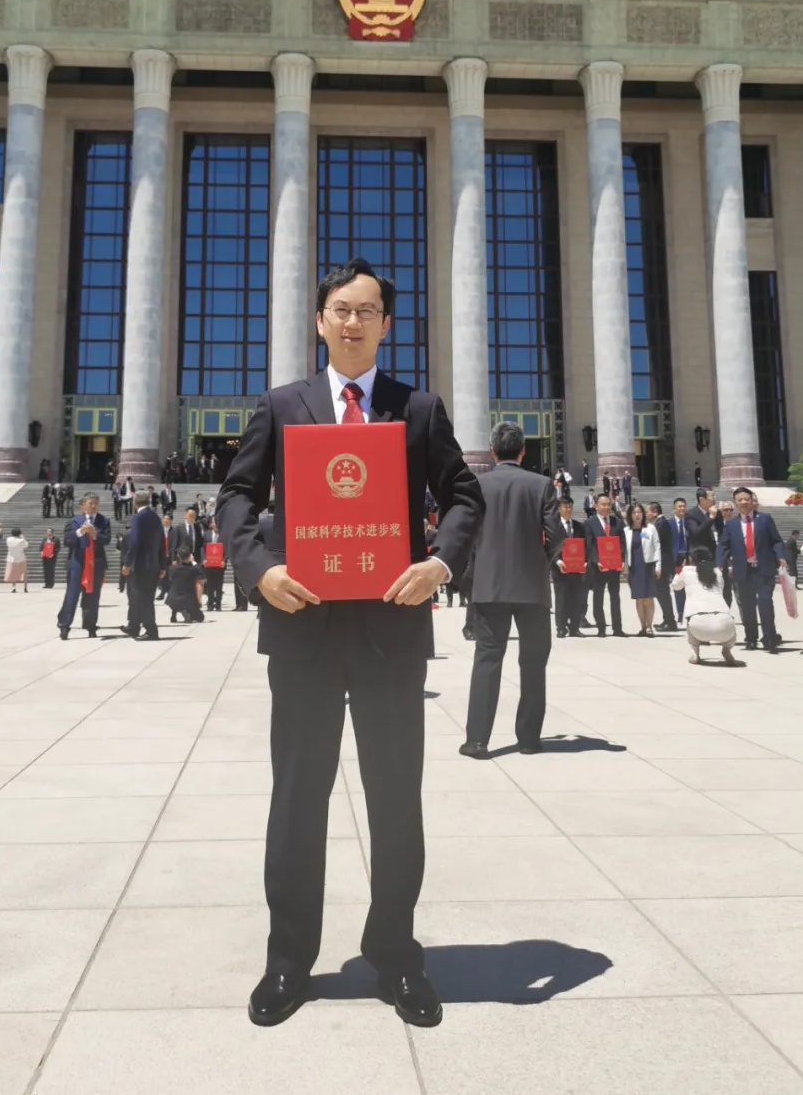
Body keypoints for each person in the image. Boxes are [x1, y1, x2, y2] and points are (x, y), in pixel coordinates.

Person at [216, 258, 482, 1031]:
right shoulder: (283, 404)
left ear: (387, 324)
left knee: (396, 797)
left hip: (390, 630)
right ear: (321, 320)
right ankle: (289, 960)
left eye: (369, 310)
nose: (354, 322)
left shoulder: (417, 408)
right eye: (341, 309)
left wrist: (440, 561)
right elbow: (238, 494)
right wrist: (258, 568)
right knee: (297, 798)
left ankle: (396, 954)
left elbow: (463, 495)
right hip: (301, 624)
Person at [460, 422, 563, 759]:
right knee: (533, 663)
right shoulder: (542, 485)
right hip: (532, 587)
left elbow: (466, 531)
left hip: (490, 586)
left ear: (492, 451)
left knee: (487, 660)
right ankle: (529, 739)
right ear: (522, 451)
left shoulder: (478, 484)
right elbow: (556, 533)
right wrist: (543, 560)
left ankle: (477, 740)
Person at [716, 487, 787, 653]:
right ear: (736, 503)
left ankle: (769, 637)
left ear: (752, 500)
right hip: (744, 570)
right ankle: (751, 638)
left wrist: (780, 555)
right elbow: (724, 544)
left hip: (764, 569)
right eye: (740, 500)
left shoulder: (765, 519)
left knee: (765, 603)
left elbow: (776, 540)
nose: (744, 502)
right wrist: (720, 561)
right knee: (747, 606)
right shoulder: (732, 524)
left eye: (746, 499)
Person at [671, 549, 742, 666]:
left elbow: (675, 586)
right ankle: (727, 649)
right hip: (725, 628)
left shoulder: (686, 572)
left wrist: (680, 570)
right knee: (730, 624)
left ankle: (695, 653)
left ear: (692, 560)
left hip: (699, 628)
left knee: (691, 619)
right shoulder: (718, 573)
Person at [58, 492, 111, 640]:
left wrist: (95, 535)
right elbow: (67, 541)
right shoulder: (74, 521)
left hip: (96, 563)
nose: (94, 506)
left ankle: (90, 626)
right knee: (72, 594)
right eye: (90, 503)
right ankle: (64, 625)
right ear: (82, 506)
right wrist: (80, 532)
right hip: (77, 563)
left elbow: (106, 539)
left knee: (93, 596)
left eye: (96, 503)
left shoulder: (104, 520)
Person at [122, 489, 165, 640]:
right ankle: (133, 627)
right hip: (153, 564)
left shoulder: (138, 518)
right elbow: (162, 543)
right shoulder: (155, 517)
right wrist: (162, 566)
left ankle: (151, 631)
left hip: (141, 565)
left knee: (143, 598)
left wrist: (127, 563)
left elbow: (135, 542)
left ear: (135, 503)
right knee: (137, 596)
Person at [584, 493, 626, 637]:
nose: (606, 507)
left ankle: (618, 628)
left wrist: (621, 560)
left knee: (615, 597)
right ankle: (601, 628)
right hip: (598, 567)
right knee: (598, 597)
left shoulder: (617, 522)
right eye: (603, 504)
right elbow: (589, 545)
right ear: (596, 506)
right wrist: (596, 561)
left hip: (614, 566)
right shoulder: (590, 523)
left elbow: (622, 543)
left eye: (608, 504)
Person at [623, 501, 661, 637]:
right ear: (630, 515)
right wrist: (624, 568)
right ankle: (642, 626)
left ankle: (650, 626)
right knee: (639, 598)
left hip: (648, 565)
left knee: (649, 598)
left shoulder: (650, 529)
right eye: (634, 512)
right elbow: (624, 552)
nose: (637, 515)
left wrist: (658, 566)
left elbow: (657, 547)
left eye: (639, 512)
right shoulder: (626, 531)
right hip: (635, 567)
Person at [552, 496, 587, 638]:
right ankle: (561, 627)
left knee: (576, 599)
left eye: (570, 507)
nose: (568, 510)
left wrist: (585, 562)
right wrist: (558, 562)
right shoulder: (553, 526)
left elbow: (585, 547)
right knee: (561, 599)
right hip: (560, 569)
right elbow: (550, 547)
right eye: (565, 507)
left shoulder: (579, 526)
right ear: (559, 509)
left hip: (577, 569)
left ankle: (574, 628)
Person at [646, 501, 677, 631]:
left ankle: (670, 622)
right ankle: (668, 620)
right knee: (662, 593)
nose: (646, 514)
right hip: (661, 564)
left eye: (647, 512)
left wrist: (639, 533)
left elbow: (650, 539)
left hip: (662, 565)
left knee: (663, 593)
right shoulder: (659, 523)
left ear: (655, 512)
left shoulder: (661, 524)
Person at [166, 544, 206, 622]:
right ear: (190, 556)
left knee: (176, 588)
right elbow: (202, 578)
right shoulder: (194, 569)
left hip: (173, 600)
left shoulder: (172, 568)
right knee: (200, 618)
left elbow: (170, 579)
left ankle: (175, 613)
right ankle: (185, 611)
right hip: (188, 601)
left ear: (178, 555)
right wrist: (193, 562)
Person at [668, 497, 690, 624]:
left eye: (684, 506)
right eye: (679, 506)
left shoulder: (690, 522)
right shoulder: (669, 523)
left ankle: (689, 614)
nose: (682, 508)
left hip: (689, 559)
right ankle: (681, 614)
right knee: (677, 587)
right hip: (675, 560)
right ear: (674, 509)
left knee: (690, 588)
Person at [685, 487, 719, 559]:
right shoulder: (691, 514)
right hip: (700, 556)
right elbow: (696, 532)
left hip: (716, 554)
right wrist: (711, 518)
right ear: (702, 499)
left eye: (714, 495)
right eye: (711, 496)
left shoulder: (717, 513)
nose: (714, 498)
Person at [202, 514, 226, 611]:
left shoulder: (224, 535)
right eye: (214, 522)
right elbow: (202, 548)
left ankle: (218, 605)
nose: (215, 524)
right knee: (210, 586)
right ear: (211, 524)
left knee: (219, 586)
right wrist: (204, 559)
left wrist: (224, 560)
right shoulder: (206, 534)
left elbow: (227, 550)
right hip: (209, 564)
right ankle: (210, 604)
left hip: (220, 565)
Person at [4, 527, 29, 592]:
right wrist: (22, 537)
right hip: (21, 558)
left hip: (11, 558)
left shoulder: (8, 539)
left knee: (13, 573)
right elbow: (26, 545)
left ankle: (14, 587)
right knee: (23, 573)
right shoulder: (21, 540)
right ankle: (25, 587)